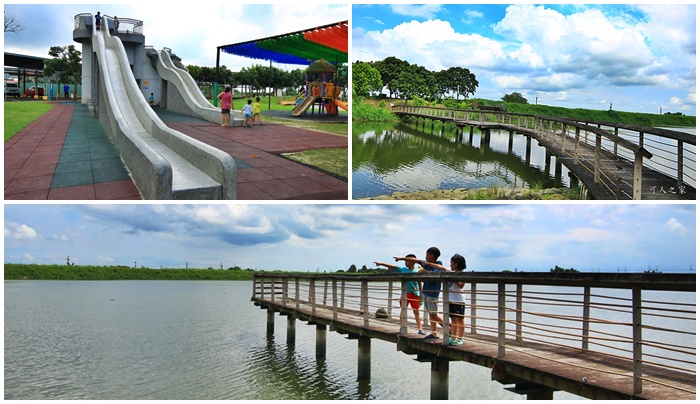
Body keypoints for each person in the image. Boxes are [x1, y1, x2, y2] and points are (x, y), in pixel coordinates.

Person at [396, 246, 444, 340]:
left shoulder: (438, 264)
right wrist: (401, 258)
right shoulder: (427, 264)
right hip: (427, 292)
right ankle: (434, 333)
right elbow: (416, 260)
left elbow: (435, 275)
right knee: (431, 314)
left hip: (432, 292)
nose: (425, 257)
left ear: (432, 255)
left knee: (433, 314)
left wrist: (423, 271)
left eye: (427, 255)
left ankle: (448, 328)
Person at [420, 254, 467, 346]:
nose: (450, 265)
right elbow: (439, 267)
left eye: (451, 263)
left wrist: (453, 278)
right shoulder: (450, 271)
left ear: (456, 264)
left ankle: (460, 338)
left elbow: (461, 285)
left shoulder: (462, 274)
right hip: (450, 300)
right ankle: (453, 338)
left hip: (459, 300)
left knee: (460, 319)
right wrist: (428, 263)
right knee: (453, 319)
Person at [374, 254, 424, 335]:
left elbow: (419, 283)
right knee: (403, 311)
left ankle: (420, 329)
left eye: (407, 261)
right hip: (405, 294)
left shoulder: (417, 271)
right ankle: (402, 327)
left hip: (415, 294)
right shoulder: (402, 269)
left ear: (413, 262)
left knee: (416, 312)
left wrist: (421, 295)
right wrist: (381, 264)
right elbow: (392, 266)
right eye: (405, 261)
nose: (406, 262)